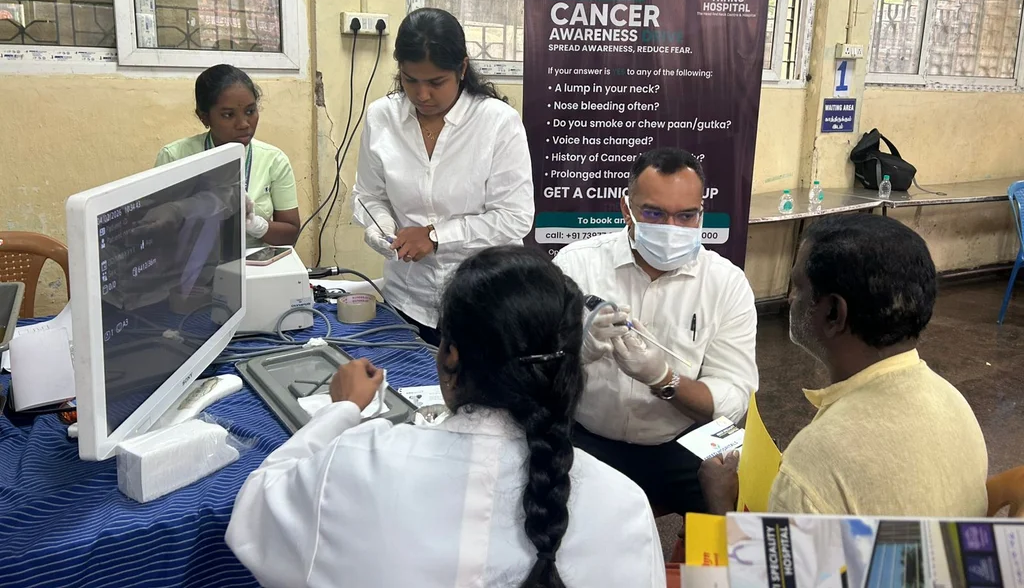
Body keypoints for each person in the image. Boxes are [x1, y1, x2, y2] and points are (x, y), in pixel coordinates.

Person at [225, 246, 666, 588]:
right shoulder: (625, 506)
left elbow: (252, 518)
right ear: (570, 366)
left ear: (450, 358)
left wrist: (342, 411)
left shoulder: (357, 464)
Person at [699, 214, 989, 517]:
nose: (789, 299)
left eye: (798, 287)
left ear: (834, 313)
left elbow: (771, 566)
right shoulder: (954, 402)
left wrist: (720, 503)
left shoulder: (814, 466)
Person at [552, 148, 758, 516]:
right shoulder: (575, 265)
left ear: (701, 215)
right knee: (545, 516)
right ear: (626, 209)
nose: (670, 229)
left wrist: (664, 379)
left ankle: (705, 572)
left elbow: (734, 396)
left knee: (739, 504)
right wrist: (576, 350)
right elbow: (535, 365)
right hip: (586, 436)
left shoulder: (726, 283)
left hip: (679, 441)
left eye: (685, 216)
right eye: (654, 213)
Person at [352, 8, 533, 345]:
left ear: (462, 68)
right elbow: (367, 195)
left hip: (483, 302)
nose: (422, 95)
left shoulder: (497, 123)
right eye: (410, 80)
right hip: (407, 299)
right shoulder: (382, 117)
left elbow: (515, 218)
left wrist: (436, 236)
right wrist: (380, 228)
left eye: (436, 82)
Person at [156, 64, 300, 248]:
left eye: (250, 111)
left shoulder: (274, 160)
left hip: (254, 266)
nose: (243, 124)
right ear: (204, 117)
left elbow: (291, 235)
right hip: (194, 267)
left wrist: (256, 225)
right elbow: (159, 233)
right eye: (228, 115)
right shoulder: (175, 157)